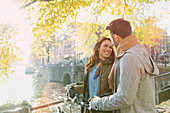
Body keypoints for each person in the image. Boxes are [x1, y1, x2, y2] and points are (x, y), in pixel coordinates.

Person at [90, 18, 159, 113]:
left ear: (115, 37)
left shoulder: (130, 57)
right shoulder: (140, 51)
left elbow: (124, 98)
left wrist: (96, 103)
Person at [82, 36, 116, 113]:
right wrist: (74, 88)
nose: (108, 49)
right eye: (105, 46)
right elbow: (89, 85)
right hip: (89, 109)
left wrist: (102, 97)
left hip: (103, 109)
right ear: (98, 48)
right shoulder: (90, 66)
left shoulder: (113, 67)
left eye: (110, 47)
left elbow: (116, 91)